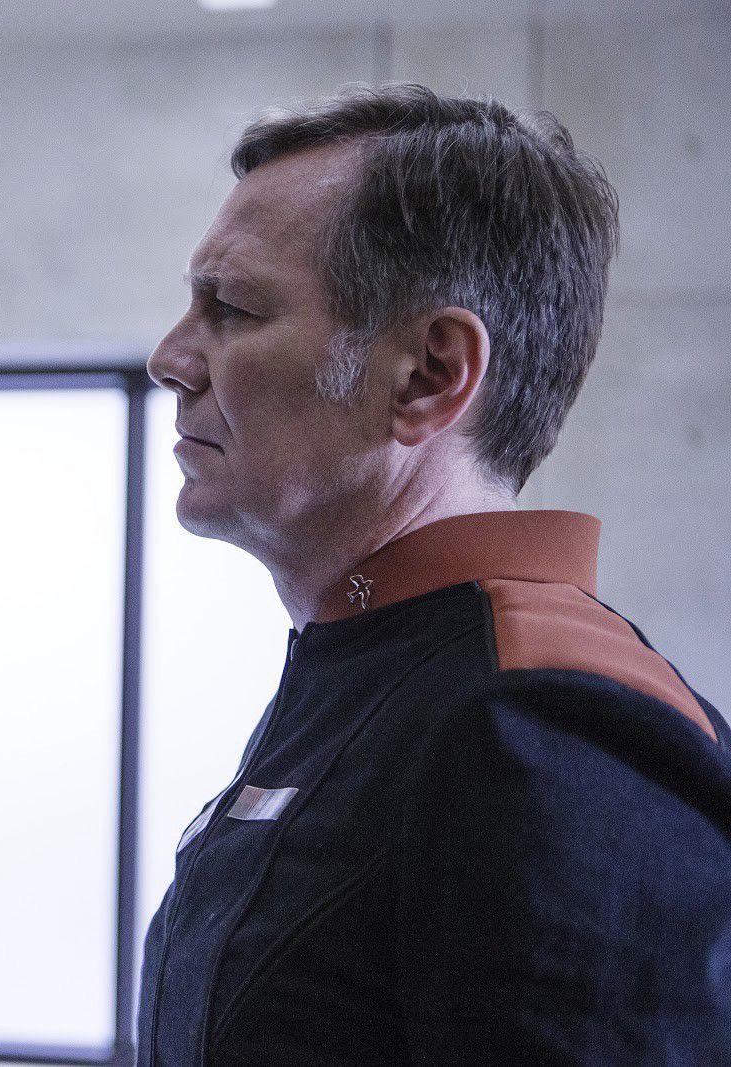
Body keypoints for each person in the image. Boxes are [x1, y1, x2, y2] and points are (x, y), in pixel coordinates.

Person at [138, 84, 731, 1063]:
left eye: (231, 308)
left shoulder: (542, 722)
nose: (170, 358)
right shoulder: (378, 659)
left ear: (428, 374)